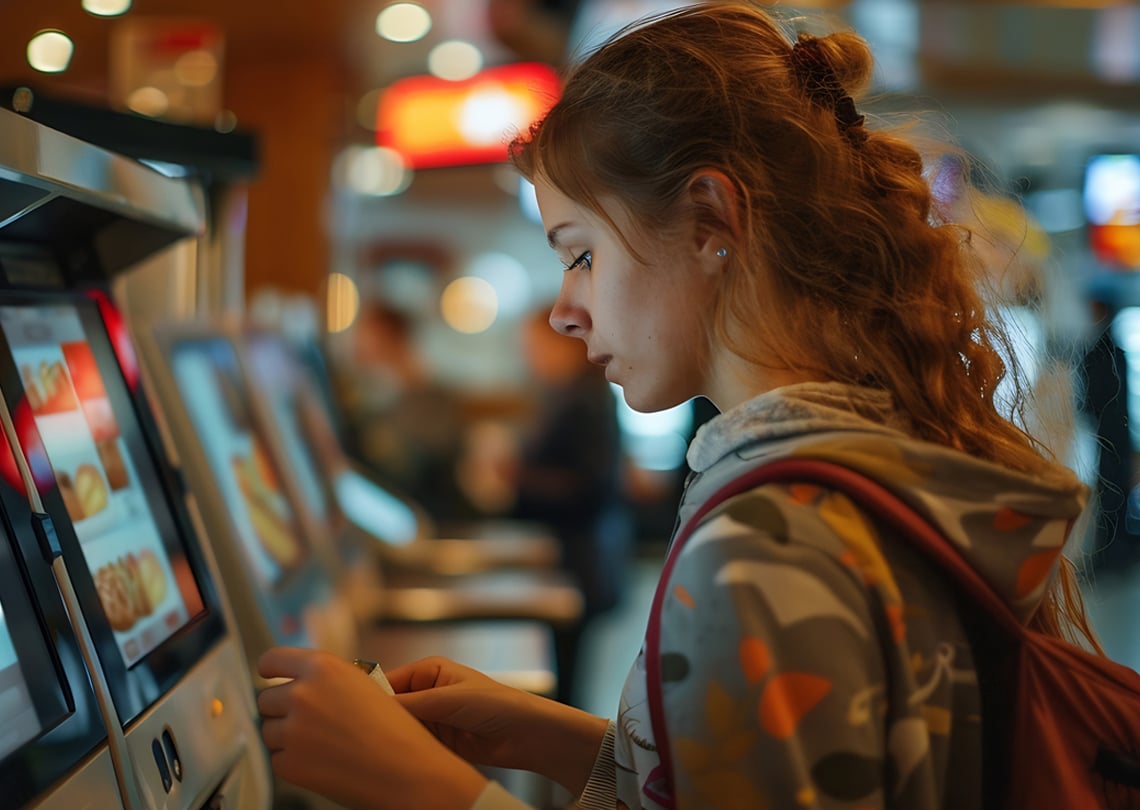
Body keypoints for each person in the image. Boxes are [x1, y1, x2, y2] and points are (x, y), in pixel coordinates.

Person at [255, 4, 1101, 809]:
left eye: (581, 254)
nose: (563, 308)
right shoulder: (847, 467)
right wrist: (572, 743)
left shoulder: (769, 535)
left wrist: (415, 785)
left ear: (709, 220)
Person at [510, 304, 633, 706]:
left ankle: (565, 766)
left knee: (565, 684)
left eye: (534, 346)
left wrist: (515, 476)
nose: (529, 356)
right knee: (563, 677)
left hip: (579, 555)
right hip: (571, 553)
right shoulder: (565, 394)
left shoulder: (584, 398)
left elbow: (591, 487)